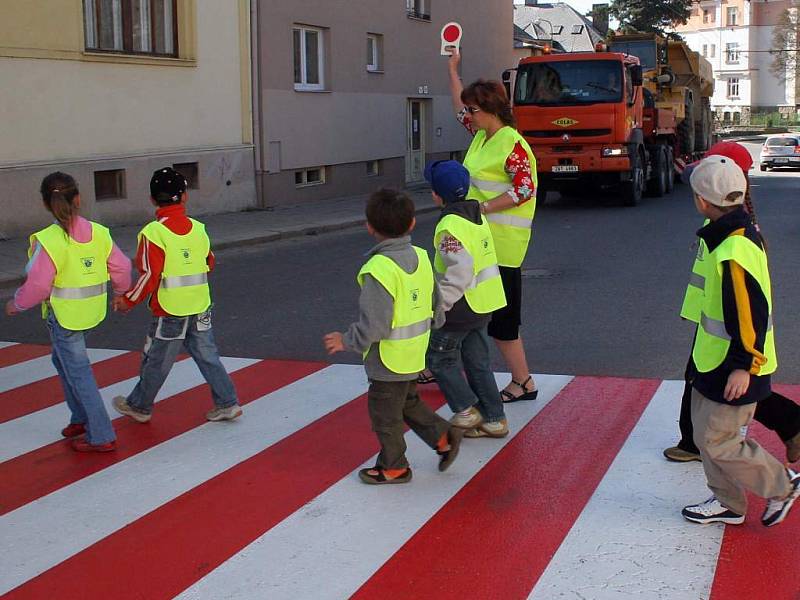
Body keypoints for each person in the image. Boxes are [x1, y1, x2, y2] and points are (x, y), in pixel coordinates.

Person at [681, 155, 800, 527]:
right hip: (711, 359)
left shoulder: (734, 250)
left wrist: (743, 366)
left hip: (732, 364)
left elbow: (750, 315)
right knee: (705, 435)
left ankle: (784, 485)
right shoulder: (730, 233)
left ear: (702, 201)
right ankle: (729, 503)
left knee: (720, 440)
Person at [323, 189, 463, 485]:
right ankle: (444, 436)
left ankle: (394, 466)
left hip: (388, 359)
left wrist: (346, 340)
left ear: (369, 227)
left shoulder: (379, 269)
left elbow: (375, 324)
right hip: (414, 351)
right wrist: (434, 323)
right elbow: (436, 302)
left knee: (385, 414)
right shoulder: (423, 257)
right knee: (407, 401)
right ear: (412, 223)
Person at [4, 172, 130, 452]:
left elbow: (38, 284)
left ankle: (100, 434)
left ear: (46, 204)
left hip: (64, 316)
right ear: (79, 199)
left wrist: (17, 304)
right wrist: (121, 293)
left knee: (78, 372)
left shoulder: (49, 240)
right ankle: (80, 417)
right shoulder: (98, 232)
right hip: (90, 310)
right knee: (63, 363)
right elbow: (121, 267)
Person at [111, 168, 242, 423]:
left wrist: (128, 299)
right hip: (200, 305)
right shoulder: (198, 229)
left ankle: (139, 406)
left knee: (158, 360)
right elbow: (209, 262)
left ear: (152, 200)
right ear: (184, 197)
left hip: (170, 310)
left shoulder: (153, 233)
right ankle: (227, 402)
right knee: (208, 354)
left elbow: (150, 275)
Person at [447, 46, 539, 404]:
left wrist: (481, 208)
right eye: (469, 109)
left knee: (503, 321)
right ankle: (437, 362)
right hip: (480, 242)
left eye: (473, 109)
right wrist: (452, 66)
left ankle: (523, 381)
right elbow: (458, 104)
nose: (467, 114)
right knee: (460, 306)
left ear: (490, 110)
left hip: (503, 247)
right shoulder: (482, 136)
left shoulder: (511, 144)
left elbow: (525, 189)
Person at [424, 160, 509, 438]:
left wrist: (440, 305)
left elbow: (459, 270)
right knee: (477, 362)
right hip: (484, 303)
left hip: (460, 307)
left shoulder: (449, 225)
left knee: (438, 359)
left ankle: (466, 411)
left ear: (437, 195)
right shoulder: (476, 213)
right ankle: (494, 419)